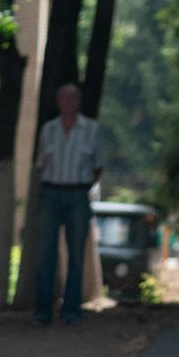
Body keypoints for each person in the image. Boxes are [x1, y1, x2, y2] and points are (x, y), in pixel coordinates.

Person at [31, 84, 103, 326]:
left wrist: (81, 185)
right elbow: (40, 164)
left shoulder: (91, 130)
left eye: (73, 97)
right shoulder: (48, 130)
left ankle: (71, 311)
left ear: (79, 101)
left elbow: (98, 165)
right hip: (51, 193)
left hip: (77, 195)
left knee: (76, 256)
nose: (69, 102)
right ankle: (42, 313)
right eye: (64, 97)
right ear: (58, 101)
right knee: (46, 256)